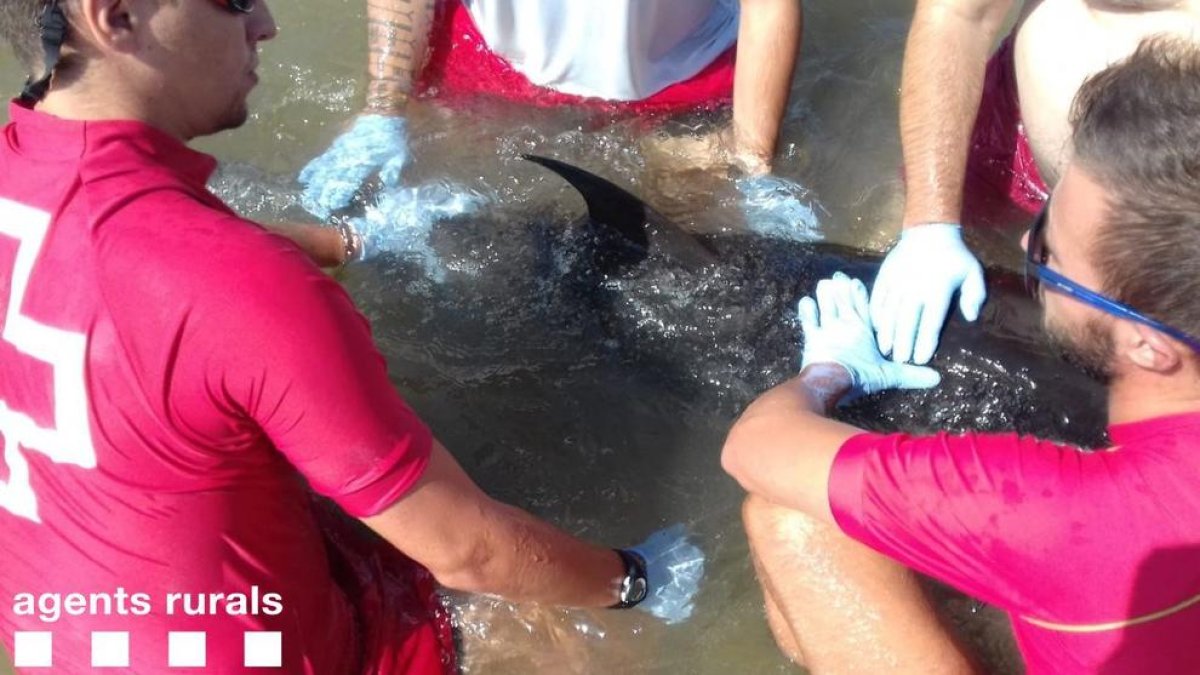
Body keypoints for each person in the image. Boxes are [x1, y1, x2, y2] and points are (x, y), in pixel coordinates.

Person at [0, 0, 702, 672]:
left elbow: (131, 251)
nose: (267, 25)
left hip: (52, 637)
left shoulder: (24, 171)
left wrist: (348, 242)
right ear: (115, 15)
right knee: (590, 626)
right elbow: (470, 552)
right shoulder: (241, 283)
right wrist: (638, 577)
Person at [723, 37, 1200, 674]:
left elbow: (754, 449)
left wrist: (828, 372)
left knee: (789, 517)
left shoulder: (1066, 513)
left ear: (1150, 344)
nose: (1028, 237)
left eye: (1048, 257)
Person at [868, 0, 1200, 367]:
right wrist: (928, 225)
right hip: (1008, 147)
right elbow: (959, 13)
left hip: (1167, 220)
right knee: (890, 266)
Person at [297, 0, 804, 221]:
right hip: (488, 56)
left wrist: (752, 159)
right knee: (425, 204)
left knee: (678, 237)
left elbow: (768, 5)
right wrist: (383, 109)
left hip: (680, 71)